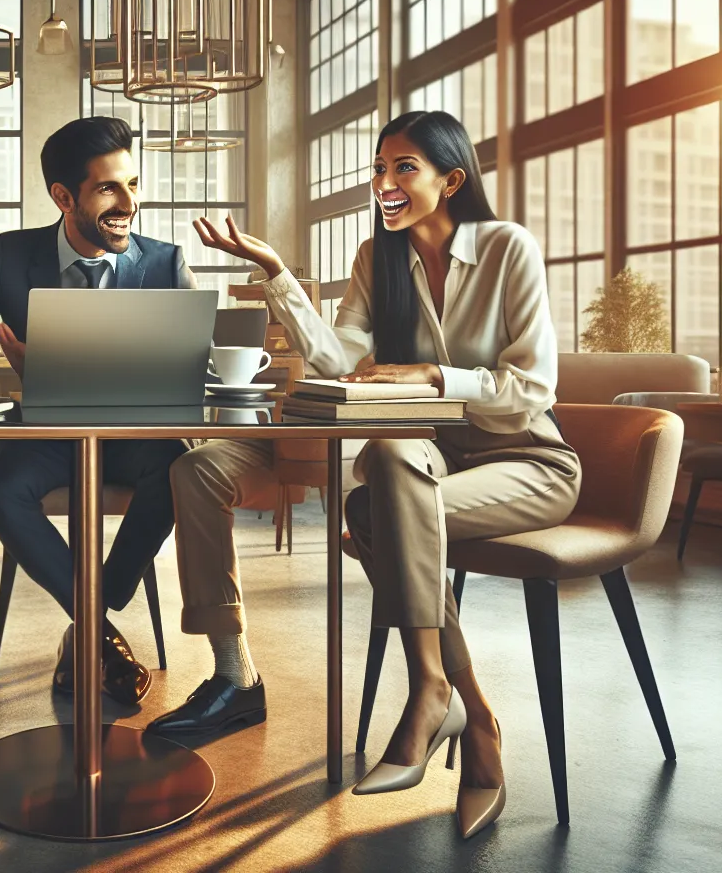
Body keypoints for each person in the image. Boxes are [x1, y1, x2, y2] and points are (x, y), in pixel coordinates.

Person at [161, 110, 577, 838]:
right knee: (384, 473)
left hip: (525, 458)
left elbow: (531, 388)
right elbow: (339, 361)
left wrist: (433, 374)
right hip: (424, 458)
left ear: (452, 180)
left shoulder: (509, 248)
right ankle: (469, 717)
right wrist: (280, 277)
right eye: (378, 168)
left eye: (403, 168)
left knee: (384, 510)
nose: (383, 182)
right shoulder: (374, 259)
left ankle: (440, 700)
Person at [0, 115, 193, 706]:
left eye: (133, 185)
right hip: (47, 436)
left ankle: (87, 619)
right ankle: (100, 631)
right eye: (109, 188)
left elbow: (191, 377)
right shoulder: (11, 257)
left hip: (135, 438)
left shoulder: (165, 263)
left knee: (177, 473)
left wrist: (71, 365)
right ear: (64, 196)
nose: (128, 203)